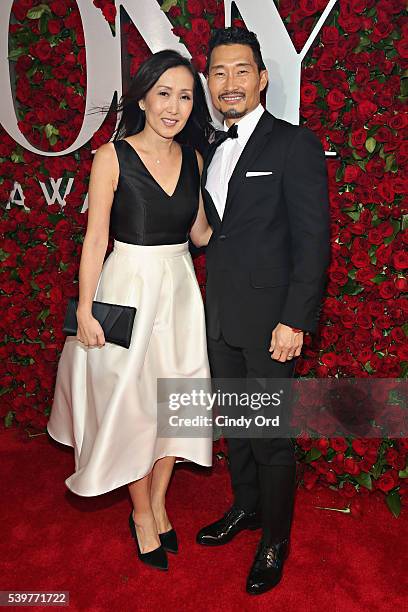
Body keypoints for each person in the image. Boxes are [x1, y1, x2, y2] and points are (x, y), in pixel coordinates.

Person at [47, 50, 214, 572]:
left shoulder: (196, 160)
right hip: (127, 288)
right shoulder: (111, 157)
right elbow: (95, 239)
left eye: (185, 96)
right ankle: (142, 514)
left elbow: (202, 234)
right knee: (133, 407)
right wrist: (87, 309)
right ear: (142, 97)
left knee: (178, 405)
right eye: (164, 93)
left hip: (180, 292)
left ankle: (159, 502)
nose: (174, 106)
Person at [196, 28, 331, 594]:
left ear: (263, 77)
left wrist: (296, 319)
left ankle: (275, 538)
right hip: (221, 316)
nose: (230, 83)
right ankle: (246, 508)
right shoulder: (206, 146)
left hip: (273, 321)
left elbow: (313, 238)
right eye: (219, 74)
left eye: (241, 71)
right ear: (209, 83)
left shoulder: (292, 144)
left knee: (272, 434)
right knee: (237, 425)